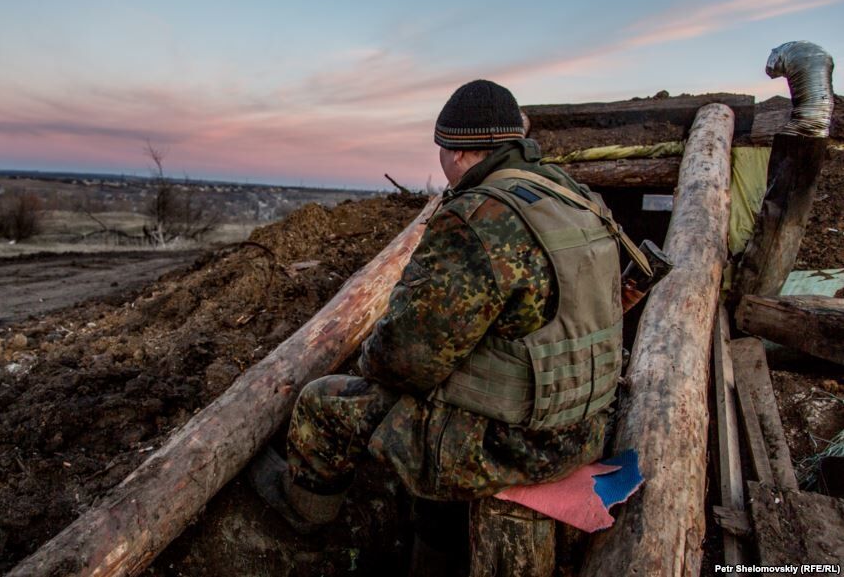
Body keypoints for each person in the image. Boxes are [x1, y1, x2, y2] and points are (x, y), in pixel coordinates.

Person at [251, 79, 624, 568]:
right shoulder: (571, 196)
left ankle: (304, 515)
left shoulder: (479, 217)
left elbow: (403, 360)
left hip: (518, 447)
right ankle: (433, 540)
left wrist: (370, 358)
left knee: (324, 405)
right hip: (585, 425)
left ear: (459, 151)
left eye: (441, 148)